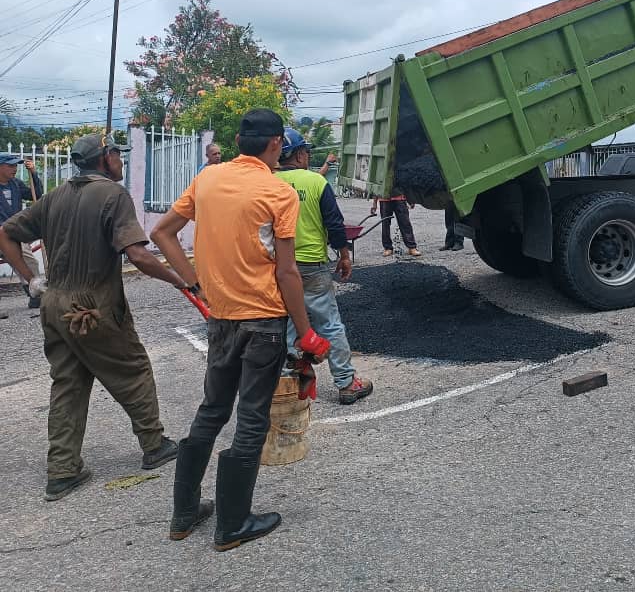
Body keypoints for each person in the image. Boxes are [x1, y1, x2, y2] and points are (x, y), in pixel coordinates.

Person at [151, 109, 333, 551]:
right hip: (265, 323)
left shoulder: (208, 178)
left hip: (222, 319)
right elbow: (288, 273)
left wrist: (194, 284)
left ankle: (184, 513)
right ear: (276, 145)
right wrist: (307, 332)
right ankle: (232, 525)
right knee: (252, 419)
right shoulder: (277, 192)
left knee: (212, 409)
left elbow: (162, 234)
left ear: (236, 140)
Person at [0, 133, 186, 501]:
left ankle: (63, 470)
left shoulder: (54, 197)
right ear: (104, 158)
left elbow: (5, 234)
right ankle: (154, 445)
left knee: (68, 383)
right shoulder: (113, 196)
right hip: (92, 307)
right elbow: (138, 255)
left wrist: (31, 279)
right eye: (117, 155)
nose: (121, 161)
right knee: (132, 370)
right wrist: (182, 282)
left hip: (54, 304)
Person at [275, 128, 373, 405]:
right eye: (306, 151)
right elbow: (334, 224)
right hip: (313, 264)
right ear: (300, 154)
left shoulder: (267, 182)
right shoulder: (315, 182)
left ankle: (289, 382)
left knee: (289, 322)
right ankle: (346, 382)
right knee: (329, 324)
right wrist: (343, 255)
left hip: (279, 267)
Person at [0, 153, 44, 308]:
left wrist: (33, 174)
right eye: (11, 165)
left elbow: (37, 195)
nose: (15, 169)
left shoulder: (16, 184)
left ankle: (35, 293)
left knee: (28, 258)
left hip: (13, 233)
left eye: (16, 165)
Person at [372, 191, 421, 257]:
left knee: (405, 223)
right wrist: (374, 203)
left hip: (400, 198)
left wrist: (411, 199)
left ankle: (411, 247)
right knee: (385, 224)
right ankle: (388, 248)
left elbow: (407, 182)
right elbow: (377, 184)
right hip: (384, 198)